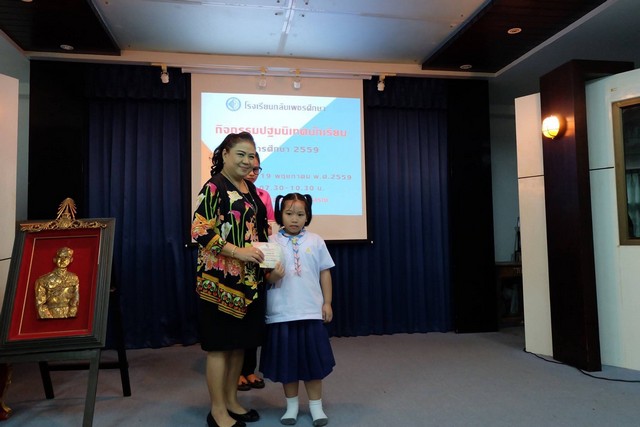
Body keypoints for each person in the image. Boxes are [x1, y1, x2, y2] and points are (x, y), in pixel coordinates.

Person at [191, 131, 270, 427]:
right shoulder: (214, 186)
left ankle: (232, 401)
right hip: (220, 282)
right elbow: (199, 231)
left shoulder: (249, 188)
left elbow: (258, 231)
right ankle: (217, 410)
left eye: (251, 155)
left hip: (249, 283)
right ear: (224, 154)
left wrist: (268, 261)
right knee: (219, 346)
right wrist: (238, 252)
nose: (247, 161)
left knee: (240, 344)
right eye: (241, 154)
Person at [260, 193, 336, 426]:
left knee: (313, 363)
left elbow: (325, 272)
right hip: (282, 313)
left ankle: (316, 407)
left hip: (310, 312)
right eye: (289, 213)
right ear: (280, 215)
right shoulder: (270, 241)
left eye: (300, 214)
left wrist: (327, 302)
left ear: (307, 216)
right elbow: (266, 278)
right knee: (288, 364)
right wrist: (274, 275)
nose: (294, 219)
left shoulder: (316, 241)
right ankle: (291, 406)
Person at [238, 153, 274, 392]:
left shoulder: (262, 196)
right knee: (237, 320)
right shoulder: (228, 192)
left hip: (257, 262)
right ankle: (236, 372)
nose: (252, 172)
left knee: (254, 319)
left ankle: (249, 370)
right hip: (235, 264)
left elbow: (269, 231)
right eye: (249, 167)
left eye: (257, 169)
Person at [35, 247, 80, 319]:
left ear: (71, 259)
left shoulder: (74, 278)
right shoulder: (44, 280)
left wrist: (71, 314)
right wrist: (48, 318)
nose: (62, 260)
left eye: (66, 257)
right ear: (55, 259)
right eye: (60, 257)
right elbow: (40, 304)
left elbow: (75, 299)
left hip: (69, 314)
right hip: (50, 313)